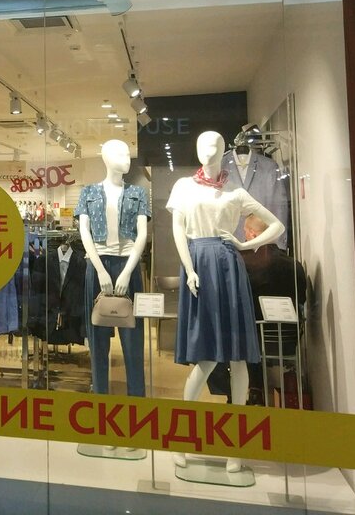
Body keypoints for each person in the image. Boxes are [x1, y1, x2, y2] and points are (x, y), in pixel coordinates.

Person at [167, 131, 283, 471]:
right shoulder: (183, 187)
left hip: (229, 267)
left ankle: (236, 448)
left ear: (224, 151)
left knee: (238, 358)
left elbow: (276, 225)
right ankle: (181, 439)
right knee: (204, 358)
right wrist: (189, 268)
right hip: (198, 266)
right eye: (203, 145)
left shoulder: (235, 191)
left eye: (215, 145)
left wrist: (246, 245)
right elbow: (178, 229)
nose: (208, 150)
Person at [75, 139, 150, 397]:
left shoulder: (138, 192)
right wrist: (99, 269)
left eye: (128, 153)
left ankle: (136, 398)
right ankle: (100, 396)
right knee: (97, 337)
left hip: (128, 264)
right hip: (98, 266)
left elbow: (142, 234)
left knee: (133, 337)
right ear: (106, 157)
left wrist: (128, 271)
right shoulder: (88, 192)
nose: (127, 158)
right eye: (120, 153)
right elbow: (84, 232)